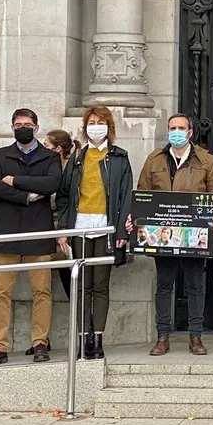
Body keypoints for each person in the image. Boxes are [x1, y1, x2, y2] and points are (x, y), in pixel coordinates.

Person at [139, 113, 213, 357]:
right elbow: (143, 194)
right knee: (164, 285)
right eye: (172, 128)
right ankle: (163, 337)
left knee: (195, 285)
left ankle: (195, 337)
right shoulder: (154, 159)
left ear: (190, 132)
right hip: (163, 234)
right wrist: (137, 218)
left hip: (194, 234)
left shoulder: (205, 160)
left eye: (181, 128)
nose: (176, 132)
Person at [0, 109, 63, 367]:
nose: (22, 128)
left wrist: (14, 180)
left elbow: (52, 184)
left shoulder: (50, 156)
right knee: (1, 292)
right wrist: (26, 196)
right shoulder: (0, 155)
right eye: (18, 125)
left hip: (38, 231)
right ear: (12, 127)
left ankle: (40, 342)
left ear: (36, 127)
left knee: (42, 291)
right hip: (6, 231)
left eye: (27, 124)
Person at [56, 107, 134, 360]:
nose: (96, 127)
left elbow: (125, 197)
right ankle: (81, 338)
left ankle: (97, 338)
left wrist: (122, 230)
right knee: (81, 285)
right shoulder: (77, 158)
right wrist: (64, 230)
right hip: (79, 227)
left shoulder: (120, 158)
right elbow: (65, 195)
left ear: (108, 128)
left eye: (101, 123)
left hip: (106, 228)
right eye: (91, 122)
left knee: (100, 285)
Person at [44, 129, 79, 300]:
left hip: (64, 228)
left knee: (71, 275)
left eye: (46, 146)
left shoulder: (70, 169)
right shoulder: (50, 167)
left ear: (57, 149)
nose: (43, 149)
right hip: (52, 229)